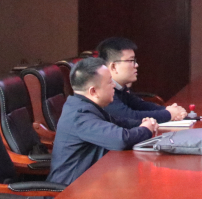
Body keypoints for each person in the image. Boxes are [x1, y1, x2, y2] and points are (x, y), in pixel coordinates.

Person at [48, 57, 158, 186]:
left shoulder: (85, 105)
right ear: (93, 91)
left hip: (91, 183)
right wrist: (146, 129)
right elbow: (120, 140)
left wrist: (142, 123)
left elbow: (118, 122)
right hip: (69, 191)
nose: (114, 85)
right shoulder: (80, 115)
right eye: (110, 81)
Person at [97, 37, 187, 123]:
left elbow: (141, 105)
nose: (136, 65)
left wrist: (171, 110)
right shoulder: (101, 89)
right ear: (113, 67)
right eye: (131, 61)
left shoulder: (119, 88)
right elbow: (128, 116)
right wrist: (169, 114)